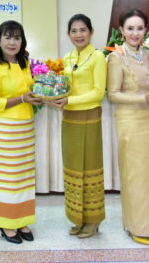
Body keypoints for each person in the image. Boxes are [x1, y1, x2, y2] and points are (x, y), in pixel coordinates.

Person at [106, 8, 149, 245]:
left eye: (139, 28)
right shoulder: (116, 57)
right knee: (134, 175)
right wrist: (144, 98)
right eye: (130, 28)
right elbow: (113, 94)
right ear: (121, 30)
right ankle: (135, 225)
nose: (135, 33)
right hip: (130, 121)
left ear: (146, 30)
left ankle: (148, 223)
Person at [0, 20, 42, 244]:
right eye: (7, 37)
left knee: (24, 177)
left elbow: (29, 90)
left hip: (25, 128)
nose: (12, 42)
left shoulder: (24, 62)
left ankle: (21, 220)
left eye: (17, 38)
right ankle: (6, 222)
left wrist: (41, 93)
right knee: (6, 178)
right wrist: (22, 98)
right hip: (5, 130)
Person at [52, 14, 107, 238]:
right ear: (68, 34)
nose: (78, 35)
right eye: (74, 31)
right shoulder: (67, 57)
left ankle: (93, 220)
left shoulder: (98, 56)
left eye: (83, 30)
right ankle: (77, 218)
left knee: (90, 166)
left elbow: (98, 92)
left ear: (91, 32)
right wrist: (54, 95)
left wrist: (69, 100)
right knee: (73, 167)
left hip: (89, 116)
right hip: (69, 118)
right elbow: (66, 87)